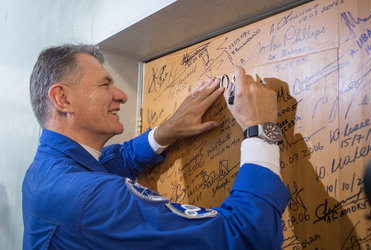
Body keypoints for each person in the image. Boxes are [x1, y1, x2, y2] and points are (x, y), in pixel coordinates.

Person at [23, 44, 291, 249]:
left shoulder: (48, 171)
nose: (122, 95)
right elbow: (243, 236)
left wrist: (166, 130)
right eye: (105, 84)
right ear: (63, 98)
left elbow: (117, 162)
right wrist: (259, 128)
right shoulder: (89, 198)